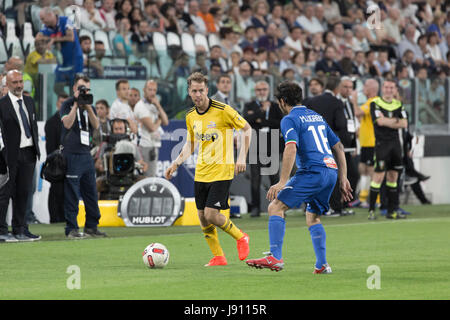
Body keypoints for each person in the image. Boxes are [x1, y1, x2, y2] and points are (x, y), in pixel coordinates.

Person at [246, 81, 352, 273]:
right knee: (312, 216)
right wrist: (343, 178)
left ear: (282, 101)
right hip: (331, 172)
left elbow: (291, 147)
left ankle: (275, 257)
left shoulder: (290, 118)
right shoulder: (316, 116)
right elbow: (339, 147)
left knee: (275, 206)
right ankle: (322, 265)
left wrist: (282, 181)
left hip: (313, 171)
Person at [165, 72, 251, 267]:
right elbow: (190, 144)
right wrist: (176, 163)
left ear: (207, 90)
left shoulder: (222, 110)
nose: (198, 95)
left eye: (201, 91)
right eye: (194, 91)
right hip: (202, 171)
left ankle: (241, 237)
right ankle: (218, 256)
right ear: (189, 92)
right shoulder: (190, 116)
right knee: (203, 218)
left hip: (222, 170)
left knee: (212, 214)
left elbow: (247, 129)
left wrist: (242, 157)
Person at [60, 74, 106, 238]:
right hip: (71, 154)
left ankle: (91, 226)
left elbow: (96, 126)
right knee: (72, 193)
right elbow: (67, 123)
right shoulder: (66, 104)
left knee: (91, 192)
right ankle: (71, 228)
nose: (84, 91)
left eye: (86, 89)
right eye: (81, 88)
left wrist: (86, 106)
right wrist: (75, 104)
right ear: (74, 89)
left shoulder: (89, 106)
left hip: (86, 154)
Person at [0, 70, 41, 241]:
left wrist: (36, 149)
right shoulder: (1, 105)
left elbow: (33, 127)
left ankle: (20, 228)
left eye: (20, 81)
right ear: (7, 85)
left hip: (29, 152)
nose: (18, 85)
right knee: (5, 193)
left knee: (24, 192)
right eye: (14, 82)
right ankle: (2, 230)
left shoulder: (30, 102)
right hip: (9, 155)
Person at [368, 79, 408, 220]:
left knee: (393, 178)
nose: (389, 90)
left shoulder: (399, 104)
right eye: (386, 87)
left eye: (392, 87)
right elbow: (379, 121)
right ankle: (371, 210)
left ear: (395, 89)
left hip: (395, 146)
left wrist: (389, 121)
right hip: (381, 145)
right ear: (382, 88)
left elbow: (404, 123)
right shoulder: (375, 103)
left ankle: (392, 211)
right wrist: (395, 121)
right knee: (378, 177)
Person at [243, 80, 283, 217]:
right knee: (255, 178)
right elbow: (246, 120)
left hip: (272, 142)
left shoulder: (275, 105)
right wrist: (261, 112)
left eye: (264, 89)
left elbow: (279, 123)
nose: (262, 92)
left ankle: (277, 206)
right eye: (259, 90)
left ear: (268, 90)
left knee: (275, 178)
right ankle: (255, 208)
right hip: (255, 144)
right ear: (255, 91)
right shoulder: (249, 105)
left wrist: (260, 120)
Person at [38, 7, 83, 95]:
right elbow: (38, 38)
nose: (42, 22)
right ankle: (66, 104)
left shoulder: (66, 20)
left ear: (50, 14)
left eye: (43, 19)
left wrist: (54, 40)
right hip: (61, 63)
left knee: (74, 90)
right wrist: (51, 39)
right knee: (57, 88)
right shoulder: (46, 26)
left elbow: (71, 37)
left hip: (75, 60)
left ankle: (72, 106)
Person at [134, 79, 169, 177]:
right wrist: (159, 120)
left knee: (151, 175)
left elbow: (166, 121)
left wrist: (158, 106)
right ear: (144, 90)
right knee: (148, 177)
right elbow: (152, 128)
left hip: (153, 145)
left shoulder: (153, 105)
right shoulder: (140, 106)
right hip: (145, 146)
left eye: (154, 90)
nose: (152, 93)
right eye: (150, 90)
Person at [44, 93, 68, 223]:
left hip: (70, 161)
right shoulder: (51, 122)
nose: (63, 105)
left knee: (66, 192)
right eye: (61, 102)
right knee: (56, 191)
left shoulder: (71, 120)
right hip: (56, 163)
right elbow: (50, 147)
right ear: (57, 104)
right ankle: (54, 218)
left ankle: (64, 217)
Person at [355, 79, 379, 207]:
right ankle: (363, 199)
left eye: (365, 85)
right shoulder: (369, 103)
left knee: (372, 171)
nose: (363, 88)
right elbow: (362, 116)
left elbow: (357, 112)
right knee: (363, 170)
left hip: (372, 143)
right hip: (366, 143)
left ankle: (377, 200)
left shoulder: (373, 101)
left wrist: (353, 100)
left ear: (371, 89)